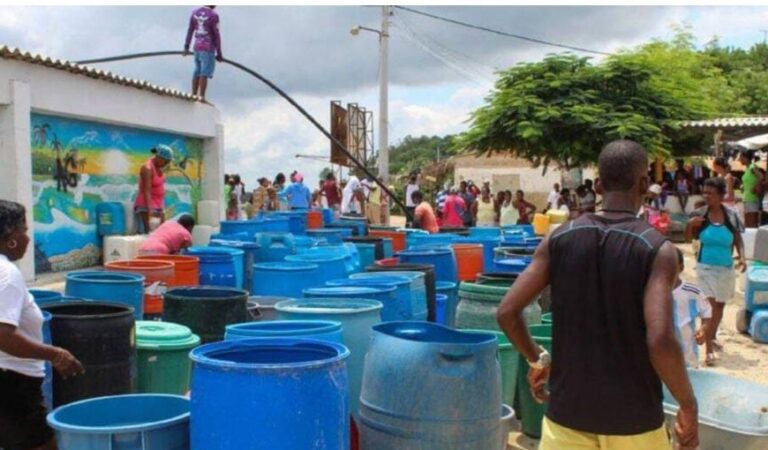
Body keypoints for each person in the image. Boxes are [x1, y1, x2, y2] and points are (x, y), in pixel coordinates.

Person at [497, 140, 698, 450]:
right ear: (644, 184)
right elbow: (659, 338)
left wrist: (537, 359)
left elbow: (507, 313)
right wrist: (688, 403)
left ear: (600, 185)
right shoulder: (657, 249)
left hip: (567, 417)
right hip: (634, 420)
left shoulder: (559, 239)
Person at [0, 200, 85, 450]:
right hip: (13, 383)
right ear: (9, 236)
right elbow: (3, 335)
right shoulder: (7, 274)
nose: (27, 238)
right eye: (24, 230)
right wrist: (55, 354)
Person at [686, 177, 746, 366]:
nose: (706, 196)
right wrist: (690, 225)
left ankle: (711, 337)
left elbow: (738, 239)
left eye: (710, 193)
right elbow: (688, 240)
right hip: (705, 268)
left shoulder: (731, 216)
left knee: (719, 308)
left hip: (726, 268)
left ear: (721, 196)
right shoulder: (699, 214)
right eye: (704, 192)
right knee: (709, 307)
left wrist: (742, 257)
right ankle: (708, 350)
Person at [672, 248, 712, 369]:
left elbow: (707, 313)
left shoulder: (692, 292)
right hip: (661, 354)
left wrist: (703, 330)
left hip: (687, 356)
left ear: (680, 268)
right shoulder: (651, 292)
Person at [183, 5, 223, 103]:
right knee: (204, 72)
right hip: (208, 48)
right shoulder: (214, 15)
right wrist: (219, 52)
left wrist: (186, 46)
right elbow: (216, 34)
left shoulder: (194, 12)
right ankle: (201, 97)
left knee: (197, 70)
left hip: (197, 47)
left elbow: (190, 30)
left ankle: (193, 95)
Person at [135, 145, 173, 234]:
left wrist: (162, 207)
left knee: (163, 231)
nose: (166, 164)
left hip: (158, 204)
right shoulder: (147, 168)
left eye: (168, 161)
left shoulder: (159, 168)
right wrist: (150, 211)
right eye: (166, 161)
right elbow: (146, 190)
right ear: (159, 157)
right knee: (151, 232)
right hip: (147, 205)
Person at [740, 150, 763, 228]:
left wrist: (755, 187)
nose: (740, 159)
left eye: (741, 157)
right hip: (747, 199)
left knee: (752, 225)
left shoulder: (752, 167)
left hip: (752, 199)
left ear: (745, 157)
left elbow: (761, 176)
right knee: (748, 225)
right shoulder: (747, 168)